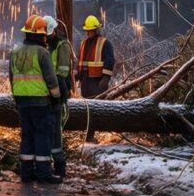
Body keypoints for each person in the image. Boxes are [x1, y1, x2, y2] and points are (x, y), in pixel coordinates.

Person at [9, 15, 62, 184]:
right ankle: (43, 173)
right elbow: (51, 80)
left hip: (22, 102)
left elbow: (11, 77)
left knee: (27, 136)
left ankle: (26, 172)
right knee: (43, 136)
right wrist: (56, 98)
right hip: (41, 102)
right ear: (39, 35)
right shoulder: (42, 52)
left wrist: (16, 97)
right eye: (43, 34)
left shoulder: (15, 51)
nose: (45, 37)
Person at [76, 14, 115, 142]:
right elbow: (80, 62)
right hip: (86, 82)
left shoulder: (105, 43)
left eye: (91, 30)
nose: (88, 33)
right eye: (87, 30)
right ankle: (89, 135)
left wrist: (105, 78)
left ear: (96, 30)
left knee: (94, 110)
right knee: (87, 110)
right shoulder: (83, 44)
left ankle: (91, 135)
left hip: (97, 82)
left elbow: (109, 61)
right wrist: (77, 76)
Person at [44, 15, 73, 177]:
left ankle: (59, 165)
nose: (47, 37)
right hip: (47, 91)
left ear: (54, 30)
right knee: (49, 129)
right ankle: (46, 163)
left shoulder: (62, 44)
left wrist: (61, 92)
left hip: (59, 88)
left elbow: (63, 71)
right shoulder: (46, 44)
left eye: (48, 34)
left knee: (57, 130)